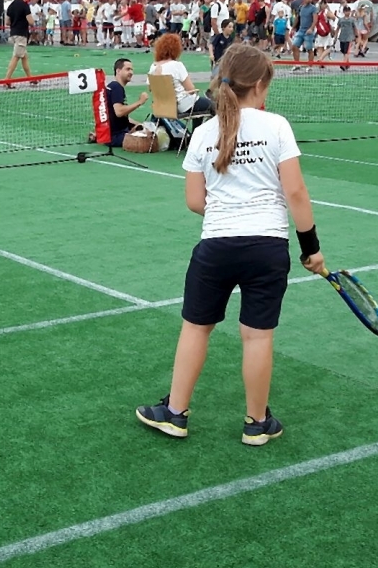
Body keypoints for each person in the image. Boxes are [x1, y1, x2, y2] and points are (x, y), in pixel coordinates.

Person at [135, 44, 323, 446]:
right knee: (257, 336)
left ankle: (175, 413)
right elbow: (296, 193)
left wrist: (228, 211)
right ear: (259, 85)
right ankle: (257, 423)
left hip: (215, 247)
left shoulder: (203, 133)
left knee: (196, 328)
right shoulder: (276, 126)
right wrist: (311, 248)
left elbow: (194, 201)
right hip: (267, 248)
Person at [149, 32, 214, 123]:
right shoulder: (176, 65)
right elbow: (191, 89)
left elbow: (151, 88)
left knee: (199, 106)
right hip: (182, 105)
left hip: (164, 106)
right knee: (213, 106)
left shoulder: (153, 66)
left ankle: (196, 129)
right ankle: (199, 130)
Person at [102, 57, 148, 147]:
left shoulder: (112, 86)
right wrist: (140, 102)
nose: (131, 72)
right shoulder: (116, 87)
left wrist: (139, 124)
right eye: (128, 69)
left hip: (110, 135)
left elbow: (118, 116)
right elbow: (119, 112)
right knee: (150, 139)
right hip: (116, 137)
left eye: (132, 70)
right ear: (118, 71)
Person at [4, 0, 34, 86]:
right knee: (16, 56)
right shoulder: (24, 5)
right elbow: (31, 21)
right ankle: (7, 79)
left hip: (13, 33)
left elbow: (7, 22)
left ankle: (30, 78)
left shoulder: (11, 6)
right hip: (21, 34)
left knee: (24, 56)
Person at [335, 4, 357, 71]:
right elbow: (338, 28)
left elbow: (355, 28)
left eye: (348, 11)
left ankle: (343, 64)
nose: (347, 12)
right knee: (343, 51)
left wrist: (356, 36)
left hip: (349, 37)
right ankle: (347, 63)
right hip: (342, 37)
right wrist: (335, 36)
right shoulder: (341, 20)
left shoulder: (352, 20)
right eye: (346, 11)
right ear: (344, 12)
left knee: (347, 51)